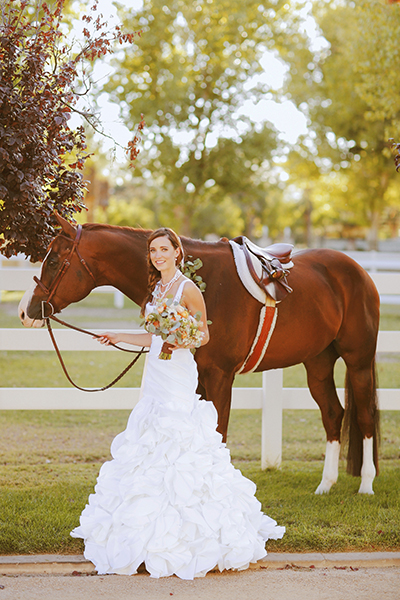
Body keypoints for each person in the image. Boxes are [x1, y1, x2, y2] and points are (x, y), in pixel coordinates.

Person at [71, 227, 285, 579]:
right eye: (153, 250)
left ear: (176, 252)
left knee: (178, 439)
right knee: (149, 437)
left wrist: (180, 336)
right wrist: (117, 335)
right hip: (155, 372)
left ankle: (191, 532)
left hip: (178, 372)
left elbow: (204, 334)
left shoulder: (188, 289)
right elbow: (152, 335)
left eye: (163, 249)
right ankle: (143, 529)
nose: (157, 255)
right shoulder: (156, 289)